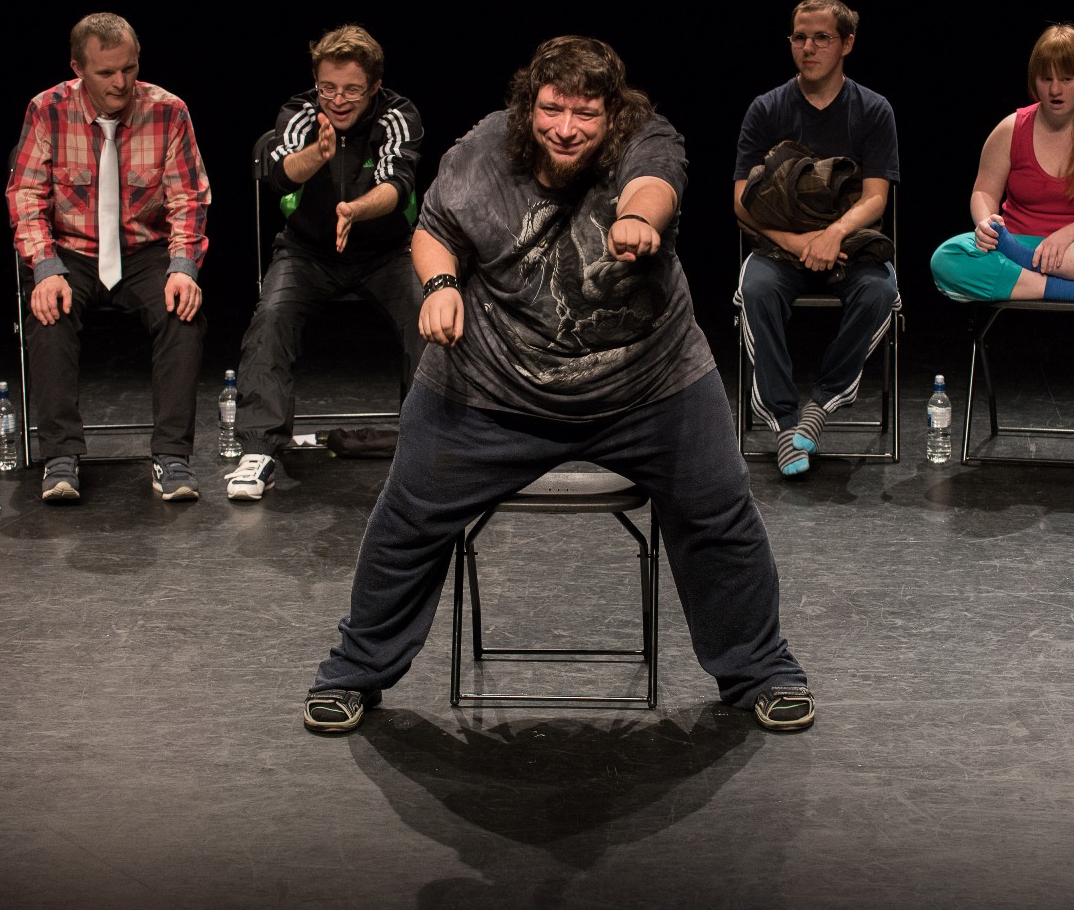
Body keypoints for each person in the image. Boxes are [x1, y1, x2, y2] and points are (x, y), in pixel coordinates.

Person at [304, 36, 814, 735]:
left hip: (648, 385)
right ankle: (353, 672)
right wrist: (443, 284)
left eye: (585, 114)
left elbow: (655, 185)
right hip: (491, 386)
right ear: (528, 106)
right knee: (406, 518)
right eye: (551, 109)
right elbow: (433, 230)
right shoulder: (482, 152)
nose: (566, 128)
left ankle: (761, 670)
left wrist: (636, 220)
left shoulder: (646, 136)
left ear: (612, 115)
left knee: (720, 512)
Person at [8, 13, 210, 502]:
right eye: (106, 72)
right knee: (48, 313)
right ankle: (60, 456)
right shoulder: (47, 109)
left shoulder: (169, 111)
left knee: (183, 312)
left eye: (129, 68)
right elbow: (26, 196)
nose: (121, 82)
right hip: (71, 251)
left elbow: (189, 198)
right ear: (78, 69)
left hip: (143, 251)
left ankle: (172, 456)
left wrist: (182, 267)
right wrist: (45, 268)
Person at [225, 25, 424, 500]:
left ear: (374, 86)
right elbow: (280, 175)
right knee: (271, 316)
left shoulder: (398, 114)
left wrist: (355, 210)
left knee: (428, 314)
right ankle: (259, 450)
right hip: (308, 251)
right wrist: (318, 152)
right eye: (328, 87)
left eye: (351, 89)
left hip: (385, 253)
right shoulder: (300, 112)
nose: (337, 100)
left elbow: (398, 184)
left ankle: (429, 441)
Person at [734, 0, 901, 478]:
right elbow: (741, 201)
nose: (808, 48)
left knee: (880, 292)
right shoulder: (767, 108)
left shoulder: (873, 110)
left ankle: (822, 404)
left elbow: (876, 197)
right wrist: (796, 243)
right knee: (756, 290)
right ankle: (785, 424)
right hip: (780, 248)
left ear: (847, 44)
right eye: (800, 37)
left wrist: (833, 235)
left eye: (822, 38)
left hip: (848, 247)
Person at [930, 24, 1074, 312]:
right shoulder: (1010, 129)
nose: (1055, 90)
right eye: (1046, 79)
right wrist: (986, 223)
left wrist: (1065, 236)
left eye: (1066, 79)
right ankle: (1069, 289)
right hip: (1014, 243)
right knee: (947, 259)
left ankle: (1028, 267)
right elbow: (983, 191)